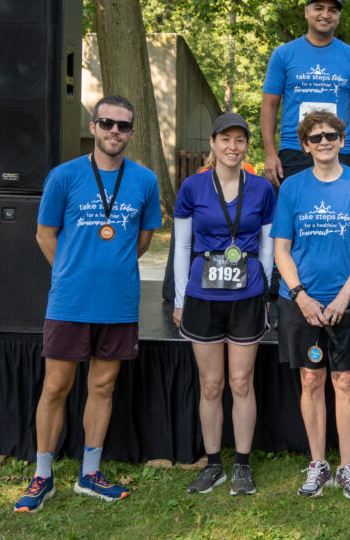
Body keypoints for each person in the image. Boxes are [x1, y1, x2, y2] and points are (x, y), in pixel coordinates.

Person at [14, 95, 162, 513]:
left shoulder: (145, 181)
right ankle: (42, 477)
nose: (115, 131)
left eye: (123, 126)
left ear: (131, 133)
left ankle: (89, 474)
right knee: (56, 387)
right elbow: (45, 235)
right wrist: (72, 272)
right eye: (107, 123)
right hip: (69, 302)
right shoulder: (63, 177)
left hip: (118, 303)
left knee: (102, 387)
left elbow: (143, 240)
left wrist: (110, 268)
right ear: (94, 127)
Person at [273, 110, 350, 500]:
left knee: (346, 380)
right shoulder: (292, 187)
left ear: (344, 140)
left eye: (332, 135)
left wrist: (342, 296)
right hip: (302, 301)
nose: (324, 142)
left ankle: (347, 468)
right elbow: (281, 249)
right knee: (311, 378)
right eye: (316, 137)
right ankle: (318, 464)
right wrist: (300, 295)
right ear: (304, 145)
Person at [172, 112, 276, 496]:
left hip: (246, 295)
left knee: (240, 381)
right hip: (202, 296)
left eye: (240, 140)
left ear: (247, 145)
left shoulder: (262, 189)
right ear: (213, 144)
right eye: (226, 139)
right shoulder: (192, 187)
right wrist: (181, 298)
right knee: (212, 384)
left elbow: (267, 244)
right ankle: (213, 464)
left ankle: (242, 467)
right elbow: (182, 247)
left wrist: (262, 288)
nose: (233, 147)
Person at [261, 0, 350, 186]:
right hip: (294, 150)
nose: (325, 14)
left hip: (338, 149)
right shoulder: (283, 54)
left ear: (338, 17)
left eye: (333, 10)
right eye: (319, 8)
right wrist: (270, 153)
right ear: (306, 12)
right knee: (294, 212)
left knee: (339, 214)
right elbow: (269, 105)